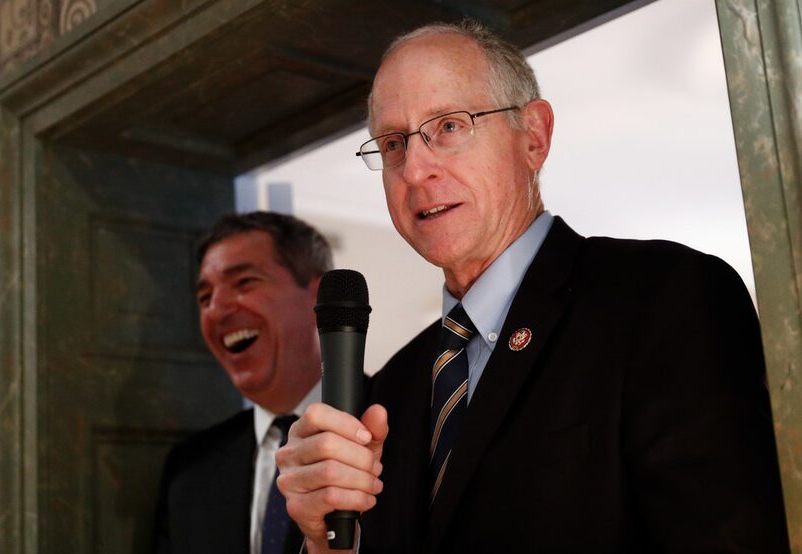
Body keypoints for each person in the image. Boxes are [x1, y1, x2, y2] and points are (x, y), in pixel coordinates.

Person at [275, 20, 790, 553]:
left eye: (449, 126)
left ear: (534, 138)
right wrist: (327, 548)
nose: (414, 169)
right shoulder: (387, 391)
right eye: (393, 142)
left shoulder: (667, 299)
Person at [154, 211, 332, 554]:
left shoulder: (405, 426)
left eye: (244, 282)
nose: (216, 310)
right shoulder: (188, 471)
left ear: (320, 295)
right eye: (205, 298)